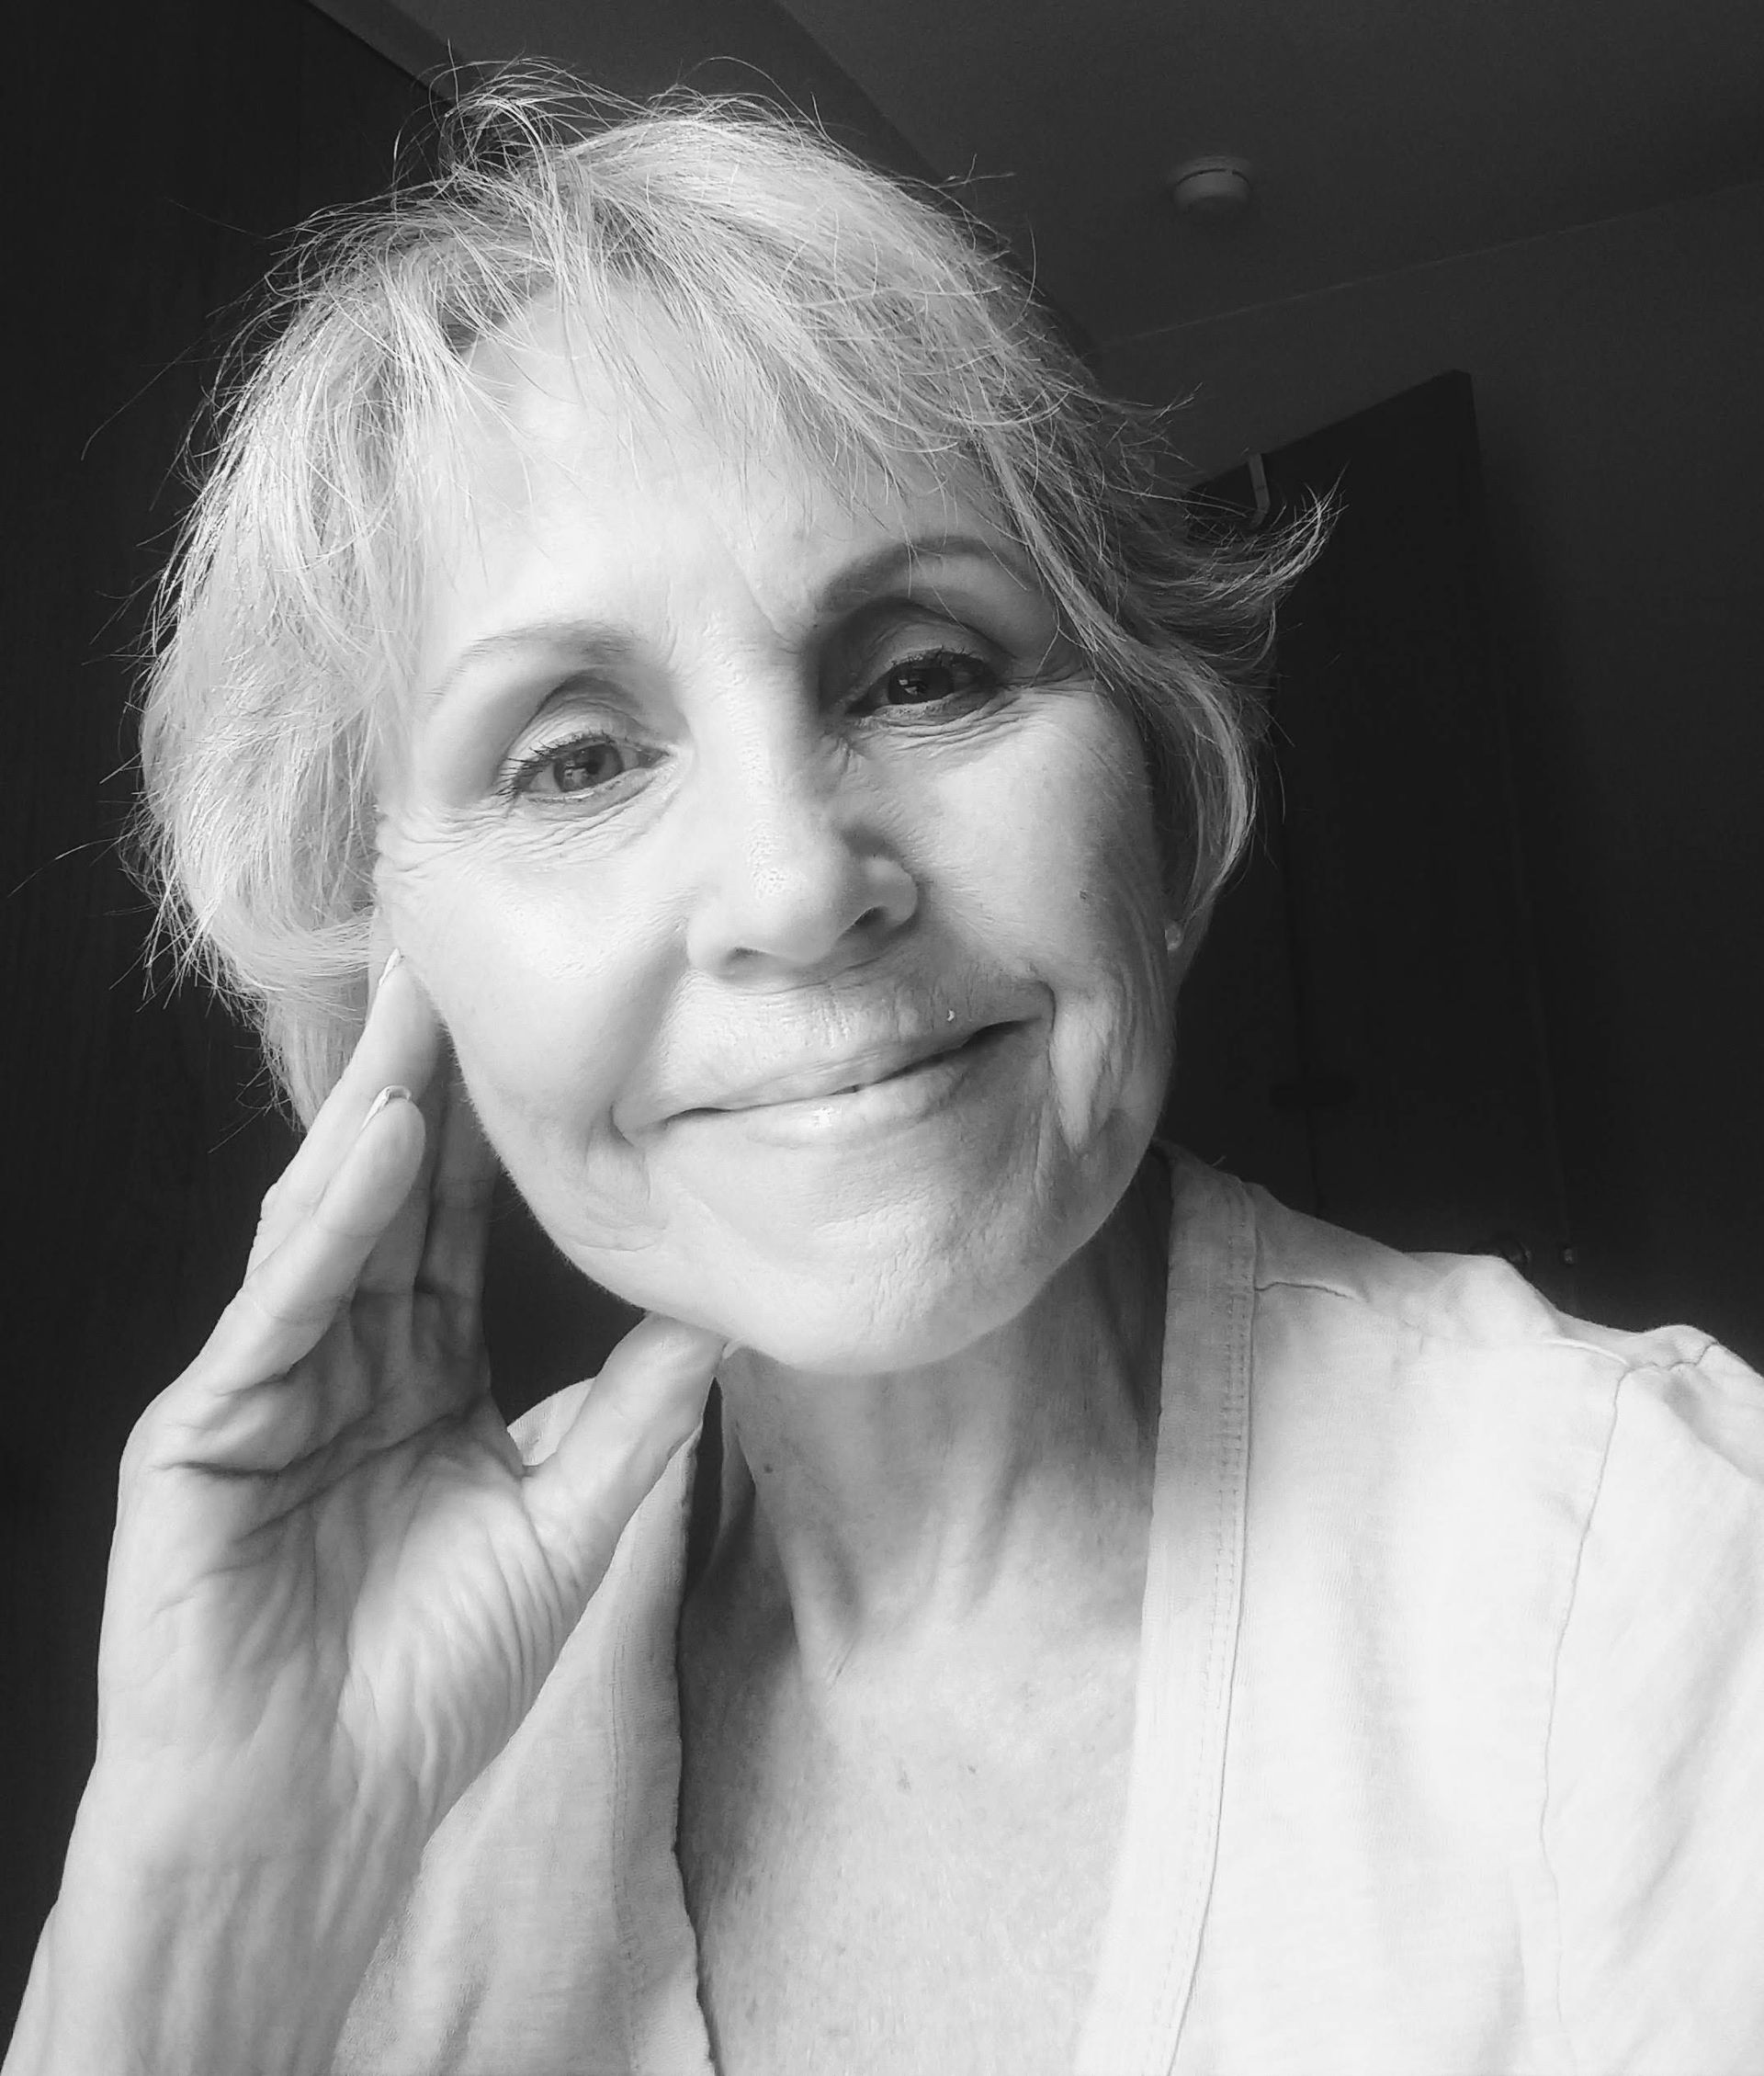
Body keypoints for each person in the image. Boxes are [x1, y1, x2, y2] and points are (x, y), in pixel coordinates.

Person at [7, 71, 1764, 2076]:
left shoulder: (1661, 1581)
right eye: (574, 759)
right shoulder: (379, 1717)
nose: (798, 886)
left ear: (1158, 793)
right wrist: (200, 1915)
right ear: (386, 966)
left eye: (925, 671)